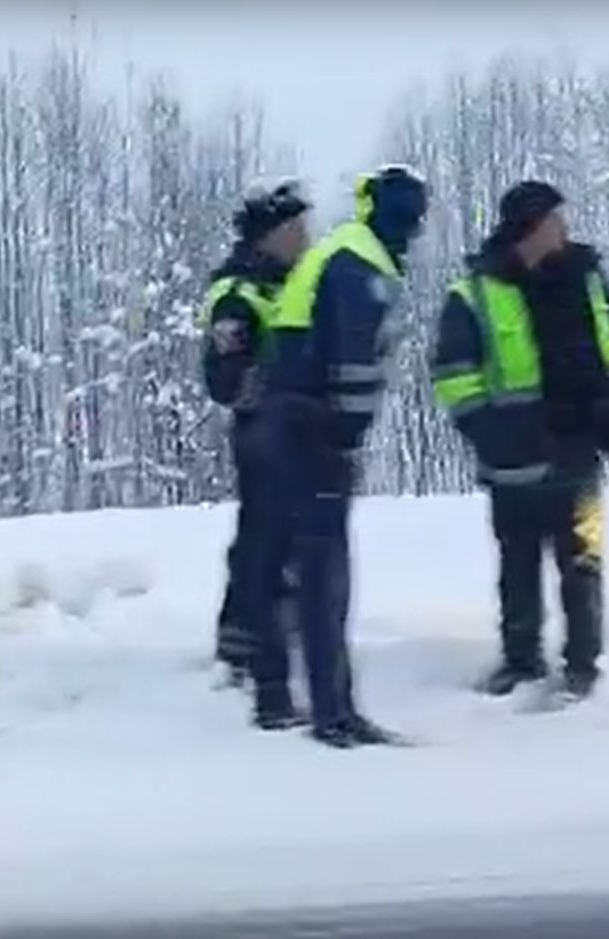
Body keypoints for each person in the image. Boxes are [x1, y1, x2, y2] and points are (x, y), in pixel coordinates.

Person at [430, 180, 609, 703]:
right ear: (528, 227)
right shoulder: (474, 294)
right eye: (554, 220)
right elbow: (455, 377)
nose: (564, 229)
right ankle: (521, 659)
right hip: (514, 455)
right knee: (517, 561)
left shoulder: (586, 279)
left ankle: (583, 665)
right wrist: (492, 433)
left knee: (584, 559)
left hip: (581, 447)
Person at [240, 164, 429, 747]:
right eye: (410, 217)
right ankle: (331, 713)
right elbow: (351, 362)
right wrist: (345, 433)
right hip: (310, 430)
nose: (415, 230)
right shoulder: (359, 263)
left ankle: (316, 702)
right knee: (322, 574)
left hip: (297, 424)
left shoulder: (351, 251)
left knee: (301, 566)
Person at [200, 179, 312, 686]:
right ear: (268, 236)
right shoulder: (238, 294)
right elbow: (226, 377)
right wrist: (273, 395)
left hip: (298, 433)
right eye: (295, 230)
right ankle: (241, 643)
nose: (304, 238)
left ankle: (277, 630)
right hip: (263, 435)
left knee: (291, 537)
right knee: (262, 537)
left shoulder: (294, 283)